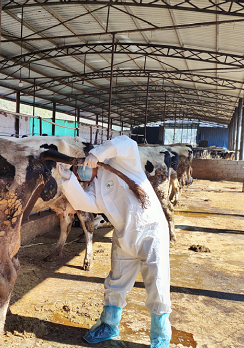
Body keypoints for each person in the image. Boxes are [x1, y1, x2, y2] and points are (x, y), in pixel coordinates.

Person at [56, 135, 171, 348]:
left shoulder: (121, 163)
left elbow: (127, 144)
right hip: (123, 236)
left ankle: (160, 336)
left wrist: (97, 153)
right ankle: (109, 325)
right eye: (77, 171)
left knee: (157, 282)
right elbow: (84, 202)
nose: (81, 172)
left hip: (151, 233)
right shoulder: (95, 188)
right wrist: (67, 180)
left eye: (79, 168)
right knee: (115, 282)